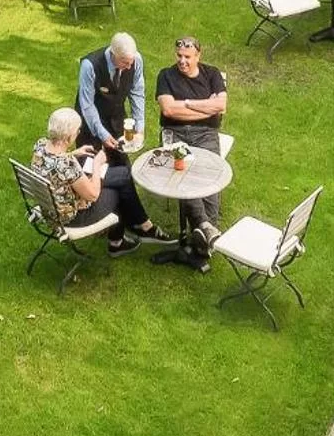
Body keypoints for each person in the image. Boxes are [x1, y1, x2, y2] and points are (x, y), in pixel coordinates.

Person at [30, 108, 171, 256]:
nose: (79, 133)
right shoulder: (67, 166)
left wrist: (73, 153)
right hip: (73, 217)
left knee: (122, 175)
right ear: (68, 136)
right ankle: (121, 240)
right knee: (119, 188)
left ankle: (136, 228)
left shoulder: (41, 146)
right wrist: (97, 164)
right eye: (78, 131)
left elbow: (55, 162)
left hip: (52, 209)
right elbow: (93, 195)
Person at [154, 36, 229, 270]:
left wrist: (184, 104)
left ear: (198, 56)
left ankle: (203, 234)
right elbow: (168, 109)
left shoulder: (213, 74)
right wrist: (202, 106)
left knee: (210, 175)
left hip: (206, 133)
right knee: (183, 172)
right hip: (174, 133)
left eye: (187, 57)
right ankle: (207, 229)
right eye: (179, 56)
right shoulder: (165, 75)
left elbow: (220, 106)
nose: (182, 61)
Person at [77, 32, 147, 165]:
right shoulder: (90, 65)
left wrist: (139, 127)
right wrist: (102, 133)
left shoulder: (136, 60)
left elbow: (137, 93)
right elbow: (87, 104)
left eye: (131, 62)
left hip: (116, 118)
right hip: (90, 120)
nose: (129, 67)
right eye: (124, 62)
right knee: (90, 168)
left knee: (122, 169)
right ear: (113, 54)